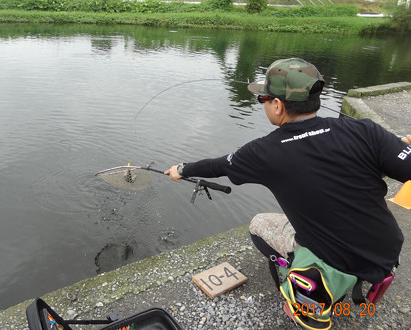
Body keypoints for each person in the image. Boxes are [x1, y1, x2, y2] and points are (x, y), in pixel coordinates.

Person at [165, 58, 411, 297]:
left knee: (258, 224)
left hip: (343, 260)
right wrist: (390, 149)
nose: (263, 103)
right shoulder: (366, 130)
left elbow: (218, 165)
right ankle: (361, 276)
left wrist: (182, 169)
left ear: (278, 106)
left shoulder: (262, 152)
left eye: (263, 98)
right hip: (387, 251)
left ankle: (305, 292)